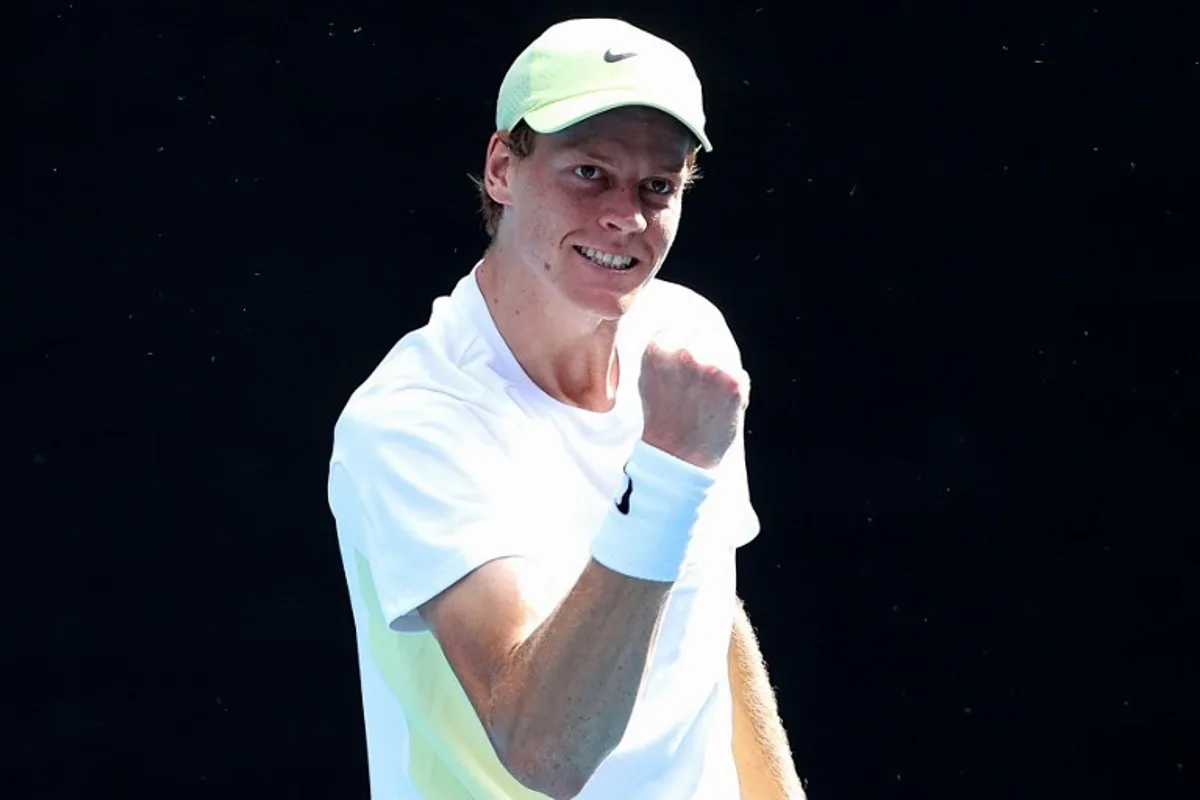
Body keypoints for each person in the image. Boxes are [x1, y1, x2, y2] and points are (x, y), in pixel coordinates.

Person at [326, 17, 805, 799]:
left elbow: (705, 615)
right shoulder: (413, 421)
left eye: (659, 186)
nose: (627, 215)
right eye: (589, 172)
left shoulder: (688, 337)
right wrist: (666, 472)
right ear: (501, 169)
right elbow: (547, 750)